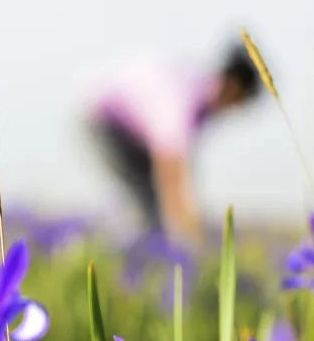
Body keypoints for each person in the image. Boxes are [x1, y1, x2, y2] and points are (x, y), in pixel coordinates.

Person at [88, 45, 260, 240]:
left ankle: (147, 243)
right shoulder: (183, 102)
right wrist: (189, 232)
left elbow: (180, 163)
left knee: (151, 200)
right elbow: (170, 173)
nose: (236, 109)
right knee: (145, 197)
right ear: (234, 87)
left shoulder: (203, 93)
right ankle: (134, 248)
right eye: (242, 101)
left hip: (131, 128)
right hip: (103, 120)